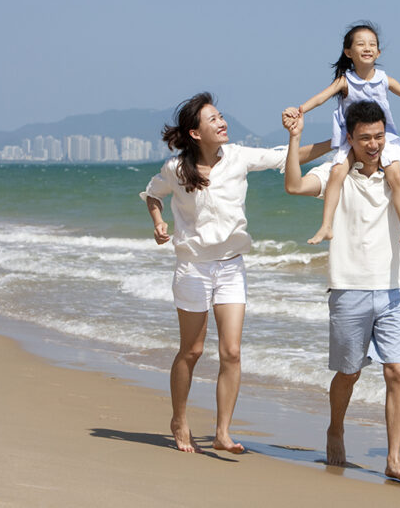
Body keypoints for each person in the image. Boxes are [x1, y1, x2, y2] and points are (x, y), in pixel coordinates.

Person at [282, 100, 400, 483]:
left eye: (379, 136)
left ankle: (393, 458)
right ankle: (335, 427)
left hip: (396, 288)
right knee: (348, 372)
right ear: (350, 138)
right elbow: (294, 185)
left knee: (396, 371)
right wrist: (295, 137)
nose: (374, 144)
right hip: (349, 287)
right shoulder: (336, 171)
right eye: (365, 138)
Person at [141, 92, 330, 454]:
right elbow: (152, 194)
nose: (221, 122)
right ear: (196, 133)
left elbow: (286, 157)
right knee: (192, 351)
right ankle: (179, 419)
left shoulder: (239, 156)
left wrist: (337, 142)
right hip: (193, 267)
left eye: (220, 116)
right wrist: (158, 222)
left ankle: (222, 432)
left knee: (231, 352)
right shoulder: (176, 170)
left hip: (231, 267)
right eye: (212, 119)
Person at [283, 21, 400, 254]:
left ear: (378, 52)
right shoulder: (345, 80)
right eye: (360, 44)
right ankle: (326, 226)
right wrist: (299, 110)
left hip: (384, 137)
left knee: (396, 176)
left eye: (372, 44)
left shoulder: (384, 79)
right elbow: (320, 98)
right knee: (336, 173)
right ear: (348, 52)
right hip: (352, 139)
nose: (367, 48)